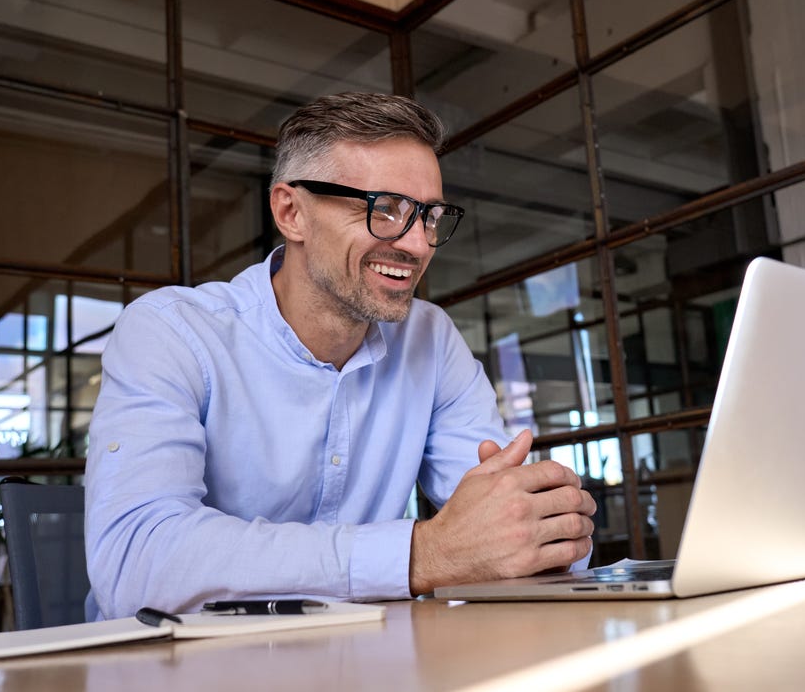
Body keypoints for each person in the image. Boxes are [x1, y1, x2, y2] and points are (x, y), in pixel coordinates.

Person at [84, 92, 596, 621]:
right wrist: (422, 554)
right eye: (385, 209)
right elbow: (134, 561)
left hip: (363, 659)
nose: (419, 245)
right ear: (291, 212)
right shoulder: (171, 331)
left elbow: (501, 530)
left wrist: (543, 526)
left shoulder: (431, 339)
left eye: (429, 216)